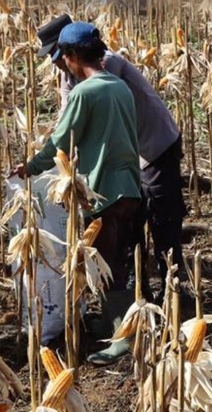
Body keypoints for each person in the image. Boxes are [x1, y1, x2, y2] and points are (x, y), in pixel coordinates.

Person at [12, 22, 141, 366]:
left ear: (71, 56)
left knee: (110, 263)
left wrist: (31, 167)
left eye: (63, 58)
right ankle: (112, 321)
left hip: (105, 190)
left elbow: (60, 140)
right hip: (130, 184)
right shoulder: (120, 86)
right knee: (120, 258)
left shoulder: (86, 92)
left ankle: (122, 337)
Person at [38, 13, 188, 282]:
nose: (58, 64)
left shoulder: (106, 66)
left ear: (72, 52)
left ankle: (175, 290)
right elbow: (67, 120)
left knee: (161, 220)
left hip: (153, 145)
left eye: (59, 55)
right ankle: (138, 288)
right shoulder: (70, 75)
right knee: (131, 226)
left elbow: (92, 112)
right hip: (129, 155)